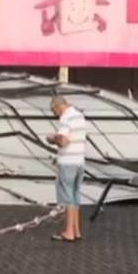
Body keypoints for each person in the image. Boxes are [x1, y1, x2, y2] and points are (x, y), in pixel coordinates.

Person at [46, 96, 87, 242]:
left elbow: (63, 141)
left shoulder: (66, 118)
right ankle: (76, 231)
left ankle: (69, 232)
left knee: (67, 197)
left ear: (58, 106)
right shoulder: (80, 116)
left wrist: (52, 138)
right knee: (75, 195)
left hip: (68, 162)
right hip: (80, 161)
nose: (54, 114)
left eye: (53, 111)